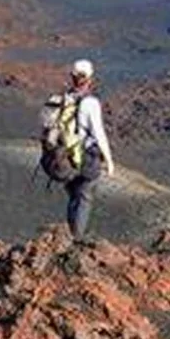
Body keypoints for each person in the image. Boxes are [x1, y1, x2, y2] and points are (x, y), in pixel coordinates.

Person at [62, 59, 114, 239]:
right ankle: (76, 238)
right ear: (90, 78)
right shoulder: (90, 102)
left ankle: (69, 234)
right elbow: (99, 134)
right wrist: (109, 160)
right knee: (85, 197)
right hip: (86, 157)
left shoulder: (66, 97)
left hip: (66, 157)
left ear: (72, 77)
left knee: (74, 195)